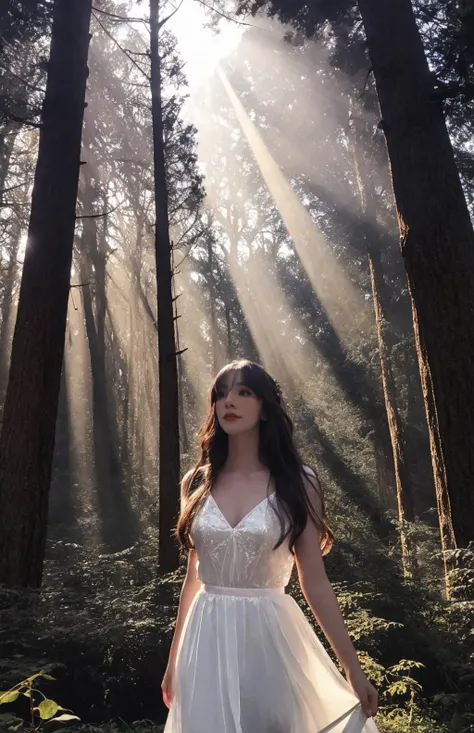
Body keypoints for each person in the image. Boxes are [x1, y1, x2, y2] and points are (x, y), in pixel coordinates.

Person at [162, 359, 379, 733]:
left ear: (265, 407)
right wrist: (173, 662)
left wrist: (351, 667)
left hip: (270, 636)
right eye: (221, 393)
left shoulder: (297, 481)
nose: (229, 401)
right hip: (205, 639)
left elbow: (315, 580)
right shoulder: (195, 483)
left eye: (243, 392)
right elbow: (192, 580)